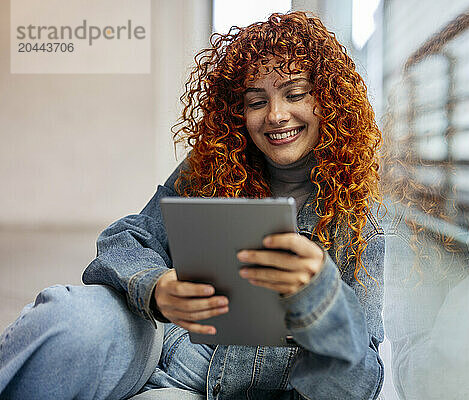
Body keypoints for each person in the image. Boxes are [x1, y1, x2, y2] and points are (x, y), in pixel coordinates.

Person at [0, 11, 385, 400]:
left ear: (329, 100)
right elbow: (126, 238)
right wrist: (158, 287)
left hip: (206, 388)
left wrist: (321, 299)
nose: (276, 115)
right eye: (256, 101)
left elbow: (358, 387)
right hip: (151, 347)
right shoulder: (219, 164)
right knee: (70, 320)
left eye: (295, 93)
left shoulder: (358, 217)